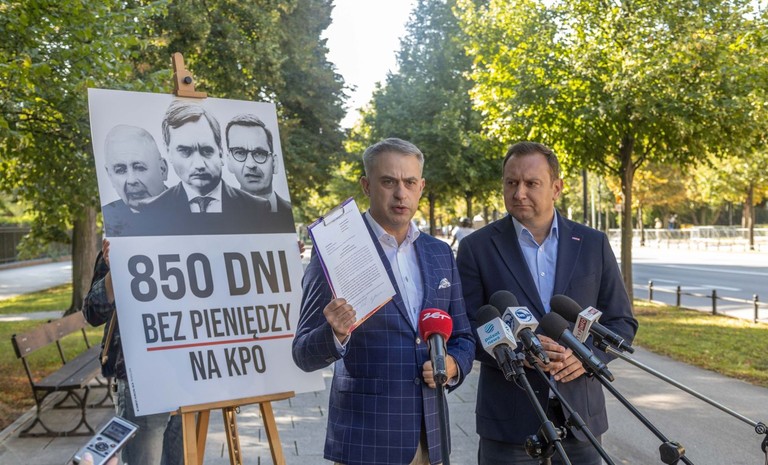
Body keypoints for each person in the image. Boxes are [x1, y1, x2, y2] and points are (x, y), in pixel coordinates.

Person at [292, 138, 476, 465]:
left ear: (421, 187)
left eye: (409, 182)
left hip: (430, 439)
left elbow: (463, 337)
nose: (401, 193)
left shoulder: (440, 253)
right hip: (366, 442)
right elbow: (303, 353)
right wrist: (335, 333)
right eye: (389, 182)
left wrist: (453, 365)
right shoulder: (336, 252)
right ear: (366, 185)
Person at [456, 141, 638, 464]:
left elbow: (622, 321)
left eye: (531, 183)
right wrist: (515, 353)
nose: (519, 192)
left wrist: (586, 357)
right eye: (511, 182)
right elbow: (466, 328)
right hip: (509, 424)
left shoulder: (593, 243)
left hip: (581, 421)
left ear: (556, 188)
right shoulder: (476, 248)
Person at [83, 239, 183, 465]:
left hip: (186, 378)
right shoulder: (120, 243)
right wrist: (115, 270)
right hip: (141, 381)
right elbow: (93, 312)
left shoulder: (191, 240)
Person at [138, 100, 287, 235]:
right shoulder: (151, 210)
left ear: (220, 151)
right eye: (185, 151)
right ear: (168, 152)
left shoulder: (257, 207)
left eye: (206, 150)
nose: (199, 165)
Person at [101, 125, 168, 236]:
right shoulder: (108, 218)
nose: (131, 180)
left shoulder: (192, 207)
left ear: (162, 169)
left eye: (139, 167)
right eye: (120, 170)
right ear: (110, 175)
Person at [225, 114, 293, 214]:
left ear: (274, 163)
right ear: (229, 162)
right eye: (240, 153)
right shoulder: (220, 213)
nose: (251, 164)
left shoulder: (290, 212)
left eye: (260, 154)